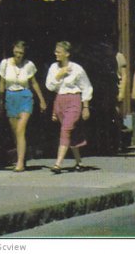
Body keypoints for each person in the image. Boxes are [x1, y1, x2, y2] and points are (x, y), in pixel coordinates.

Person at [0, 41, 47, 172]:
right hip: (10, 97)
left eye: (21, 53)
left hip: (25, 96)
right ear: (13, 50)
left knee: (20, 130)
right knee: (15, 132)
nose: (19, 55)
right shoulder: (5, 64)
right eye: (16, 52)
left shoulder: (28, 65)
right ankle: (22, 157)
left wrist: (42, 100)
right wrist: (1, 103)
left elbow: (34, 83)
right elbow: (2, 84)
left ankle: (20, 163)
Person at [45, 41, 93, 174]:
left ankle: (58, 164)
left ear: (67, 54)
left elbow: (86, 87)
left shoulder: (77, 69)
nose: (56, 54)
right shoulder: (53, 67)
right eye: (55, 51)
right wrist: (59, 74)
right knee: (70, 133)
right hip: (60, 101)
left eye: (59, 52)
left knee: (65, 129)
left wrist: (86, 106)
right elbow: (50, 86)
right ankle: (79, 162)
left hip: (74, 100)